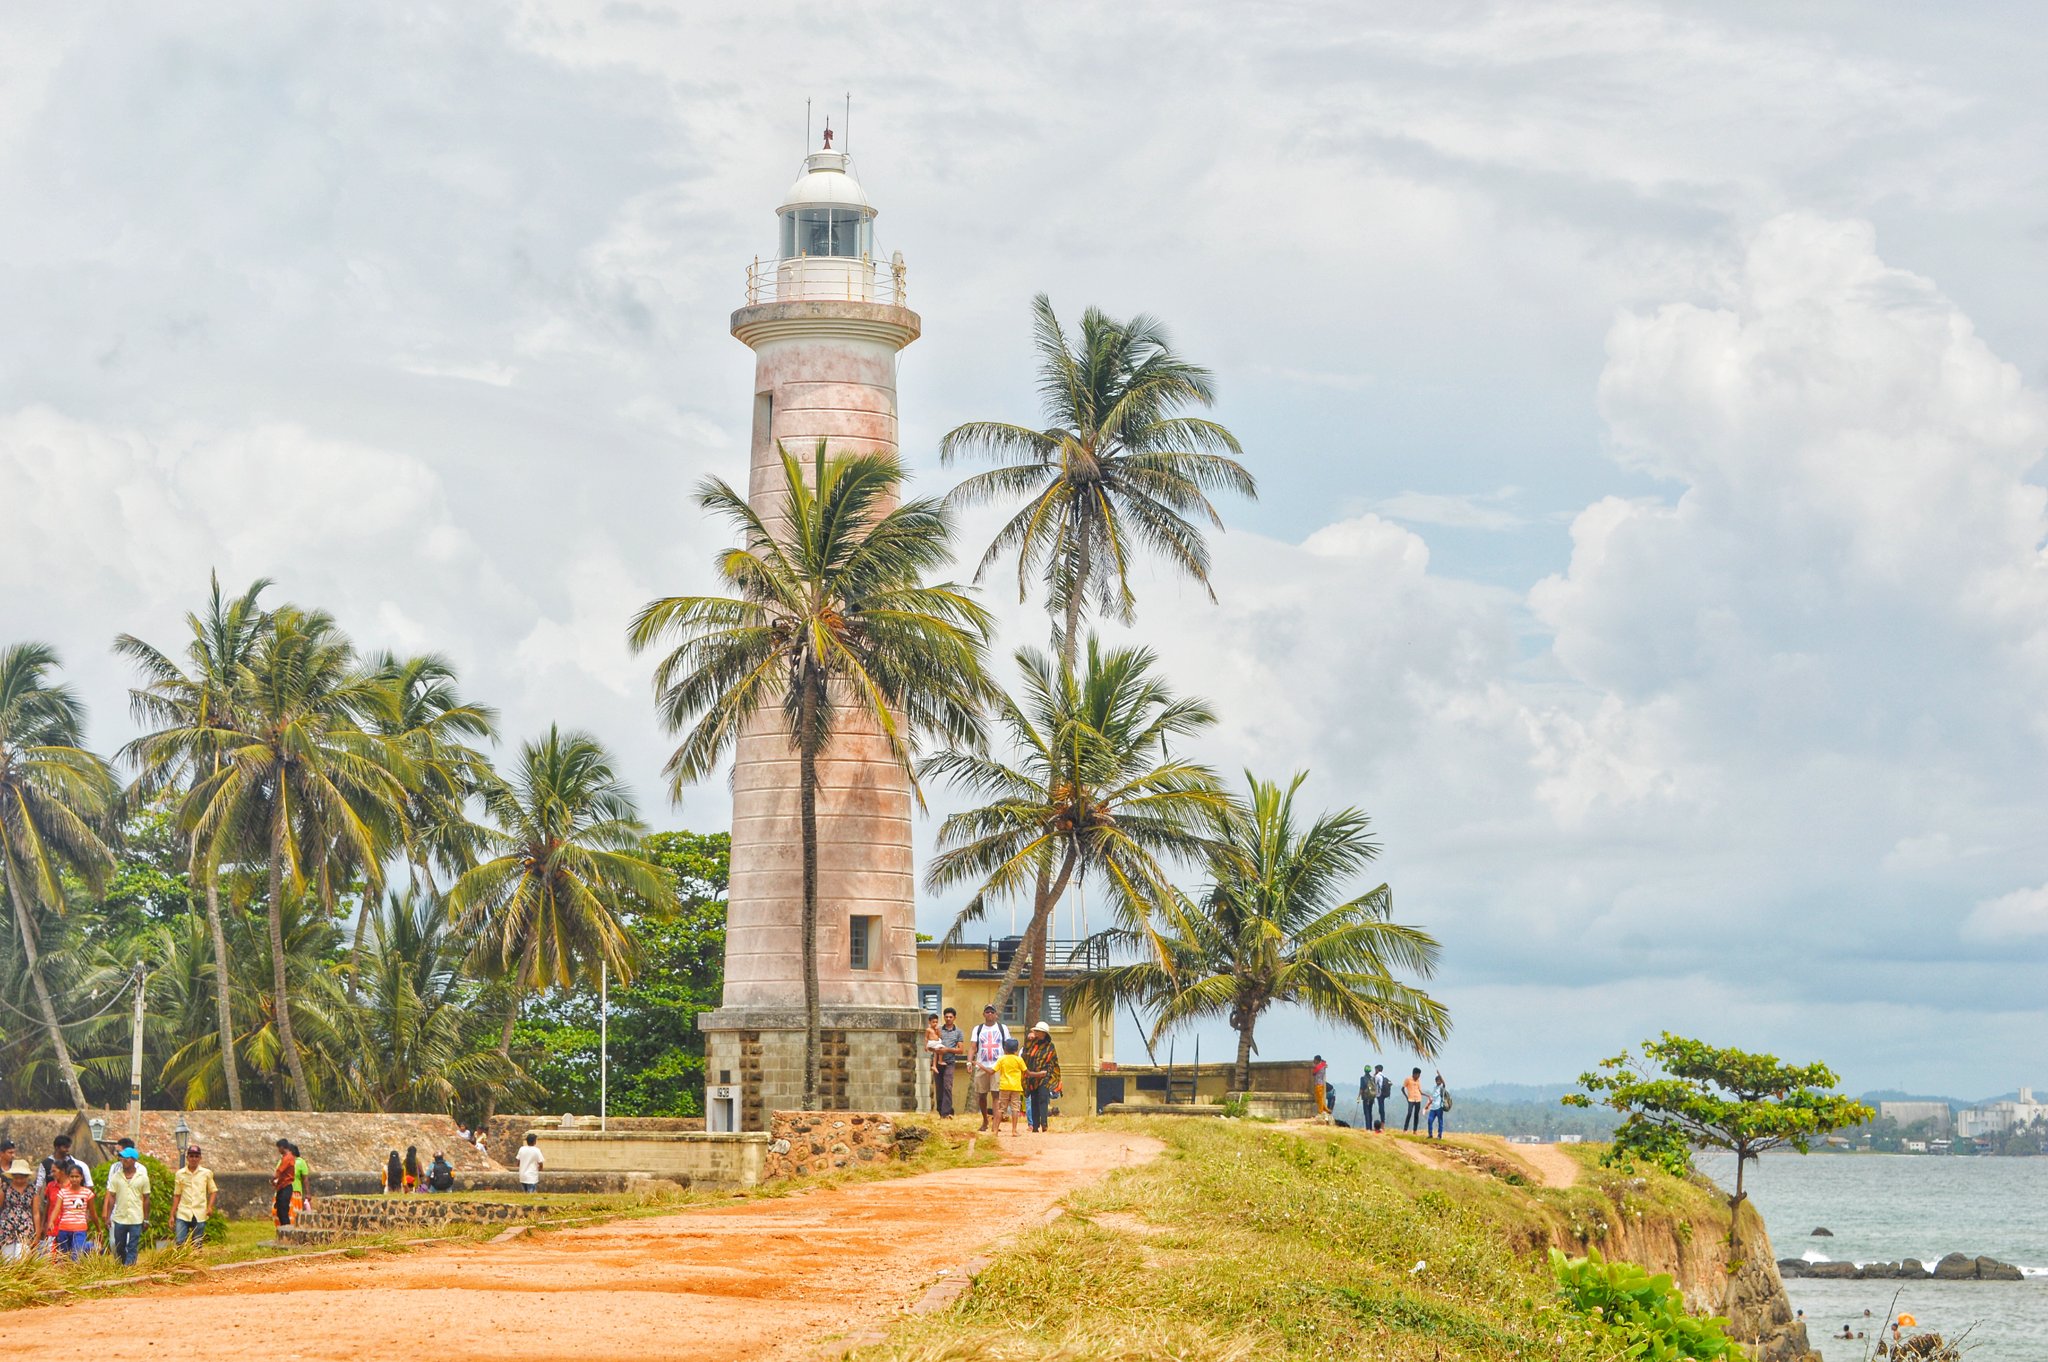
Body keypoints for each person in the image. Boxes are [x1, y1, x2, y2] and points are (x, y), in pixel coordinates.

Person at [101, 1144, 151, 1266]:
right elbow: (112, 1197)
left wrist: (146, 1219)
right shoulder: (116, 1177)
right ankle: (124, 1264)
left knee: (133, 1245)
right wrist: (108, 1216)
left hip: (136, 1217)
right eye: (122, 1158)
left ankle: (129, 1268)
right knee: (119, 1245)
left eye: (126, 1158)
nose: (123, 1160)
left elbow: (146, 1199)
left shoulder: (142, 1178)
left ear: (134, 1160)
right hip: (120, 1217)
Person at [970, 1004, 1012, 1133]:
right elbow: (973, 1047)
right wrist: (969, 1062)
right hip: (982, 1064)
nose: (989, 1014)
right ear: (984, 1014)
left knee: (996, 1095)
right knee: (981, 1095)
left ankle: (995, 1124)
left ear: (996, 1015)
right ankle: (985, 1120)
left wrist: (1008, 1063)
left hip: (997, 1066)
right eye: (987, 1012)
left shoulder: (1002, 1028)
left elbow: (1008, 1046)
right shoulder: (978, 1029)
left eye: (991, 1012)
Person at [993, 1036, 1039, 1137]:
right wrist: (1039, 1074)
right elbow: (1027, 1072)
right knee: (1015, 1109)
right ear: (1016, 1049)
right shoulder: (1019, 1060)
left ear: (1005, 1048)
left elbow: (992, 1071)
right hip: (1016, 1087)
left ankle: (995, 1131)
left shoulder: (1002, 1059)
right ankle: (1014, 1130)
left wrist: (980, 1065)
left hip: (1004, 1087)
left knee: (1001, 1108)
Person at [1021, 1021, 1062, 1134]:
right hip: (1032, 1077)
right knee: (1034, 1100)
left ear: (1044, 1033)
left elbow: (1053, 1062)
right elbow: (1025, 1055)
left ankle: (1044, 1124)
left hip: (1045, 1076)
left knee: (1043, 1099)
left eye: (1039, 1032)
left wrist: (1048, 1074)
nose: (1037, 1033)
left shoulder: (1050, 1046)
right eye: (1036, 1031)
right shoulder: (1031, 1044)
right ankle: (1035, 1126)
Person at [172, 1144, 217, 1247]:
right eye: (191, 1156)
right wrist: (172, 1214)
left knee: (197, 1242)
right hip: (183, 1211)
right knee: (180, 1241)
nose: (194, 1159)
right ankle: (181, 1262)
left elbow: (213, 1191)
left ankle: (196, 1262)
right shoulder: (180, 1174)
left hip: (199, 1212)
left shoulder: (206, 1173)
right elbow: (177, 1195)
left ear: (200, 1158)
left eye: (196, 1156)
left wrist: (210, 1207)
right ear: (187, 1157)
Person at [48, 1164, 93, 1259]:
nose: (74, 1179)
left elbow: (92, 1211)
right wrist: (51, 1221)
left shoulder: (87, 1193)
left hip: (80, 1229)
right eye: (72, 1176)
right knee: (65, 1256)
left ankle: (90, 1246)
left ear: (81, 1177)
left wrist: (98, 1227)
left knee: (76, 1256)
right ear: (68, 1177)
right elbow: (57, 1208)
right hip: (64, 1229)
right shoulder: (63, 1192)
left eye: (77, 1176)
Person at [0, 1158, 37, 1262]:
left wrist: (37, 1234)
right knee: (7, 1258)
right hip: (8, 1225)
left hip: (25, 1226)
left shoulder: (32, 1189)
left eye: (22, 1177)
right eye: (17, 1177)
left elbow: (36, 1213)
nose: (19, 1180)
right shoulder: (5, 1187)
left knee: (21, 1257)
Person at [934, 1008, 964, 1119]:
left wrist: (947, 1050)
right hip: (937, 1062)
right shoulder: (938, 1030)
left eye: (950, 1017)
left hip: (949, 1063)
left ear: (954, 1018)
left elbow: (961, 1050)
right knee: (939, 1088)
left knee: (947, 1086)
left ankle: (945, 1113)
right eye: (946, 1017)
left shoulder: (958, 1032)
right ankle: (941, 1110)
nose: (948, 1019)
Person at [271, 1138, 297, 1227]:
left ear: (282, 1147)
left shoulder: (287, 1158)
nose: (278, 1150)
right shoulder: (288, 1157)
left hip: (285, 1186)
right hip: (282, 1186)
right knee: (280, 1210)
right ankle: (284, 1230)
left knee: (283, 1211)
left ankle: (287, 1231)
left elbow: (280, 1171)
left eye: (279, 1148)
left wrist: (273, 1178)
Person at [1427, 1072, 1450, 1140]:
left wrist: (1439, 1074)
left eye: (1439, 1080)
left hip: (1439, 1107)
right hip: (1433, 1107)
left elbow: (1444, 1083)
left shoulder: (1441, 1088)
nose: (1438, 1082)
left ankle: (1439, 1135)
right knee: (1429, 1120)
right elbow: (1433, 1097)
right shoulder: (1434, 1088)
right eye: (1437, 1080)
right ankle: (1430, 1134)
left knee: (1440, 1121)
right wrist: (1428, 1105)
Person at [1402, 1067, 1424, 1132]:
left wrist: (1427, 1095)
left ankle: (1415, 1130)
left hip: (1418, 1099)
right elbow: (1402, 1089)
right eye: (1418, 1075)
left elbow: (1419, 1090)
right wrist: (1406, 1097)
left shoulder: (1418, 1081)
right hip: (1411, 1099)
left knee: (1416, 1115)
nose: (1419, 1076)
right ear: (1414, 1074)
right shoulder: (1408, 1079)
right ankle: (1405, 1129)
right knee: (1409, 1113)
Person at [1374, 1065, 1392, 1131]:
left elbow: (1375, 1085)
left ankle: (1382, 1125)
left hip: (1379, 1094)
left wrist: (1375, 1094)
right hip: (1384, 1094)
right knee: (1382, 1109)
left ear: (1377, 1069)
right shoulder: (1383, 1076)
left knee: (1381, 1109)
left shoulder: (1377, 1076)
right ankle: (1382, 1124)